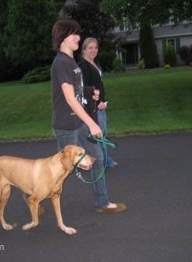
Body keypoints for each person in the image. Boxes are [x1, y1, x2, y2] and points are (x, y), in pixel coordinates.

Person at [51, 19, 126, 213]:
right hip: (66, 124)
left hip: (79, 121)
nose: (78, 37)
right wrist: (92, 123)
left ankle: (102, 203)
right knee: (62, 170)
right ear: (62, 38)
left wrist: (89, 93)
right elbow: (68, 98)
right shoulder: (61, 63)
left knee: (98, 158)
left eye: (78, 33)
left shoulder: (71, 62)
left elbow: (76, 91)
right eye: (74, 34)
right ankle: (32, 192)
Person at [78, 37, 117, 168]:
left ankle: (101, 159)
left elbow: (98, 84)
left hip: (101, 105)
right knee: (99, 135)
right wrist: (98, 103)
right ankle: (103, 161)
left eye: (95, 48)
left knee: (100, 134)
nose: (93, 50)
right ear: (84, 50)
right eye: (90, 48)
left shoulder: (95, 64)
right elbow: (85, 89)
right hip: (94, 107)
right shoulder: (83, 67)